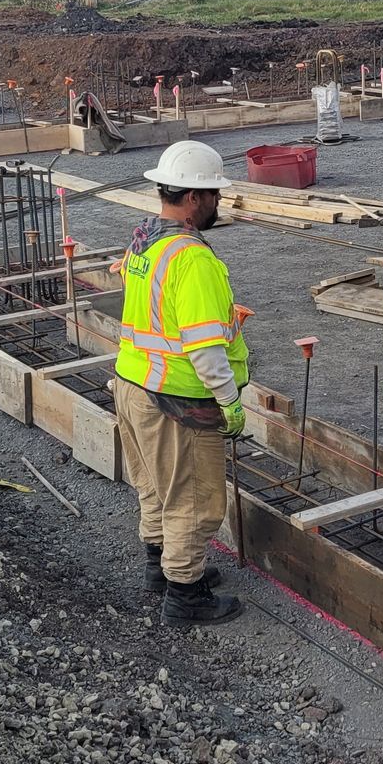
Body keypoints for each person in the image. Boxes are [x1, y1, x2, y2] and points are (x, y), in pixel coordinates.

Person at [111, 139, 249, 627]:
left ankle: (161, 569)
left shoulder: (145, 243)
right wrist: (230, 401)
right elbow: (204, 346)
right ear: (193, 198)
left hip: (132, 384)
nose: (218, 202)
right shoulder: (191, 259)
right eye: (213, 193)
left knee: (154, 488)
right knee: (195, 498)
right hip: (176, 399)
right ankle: (185, 594)